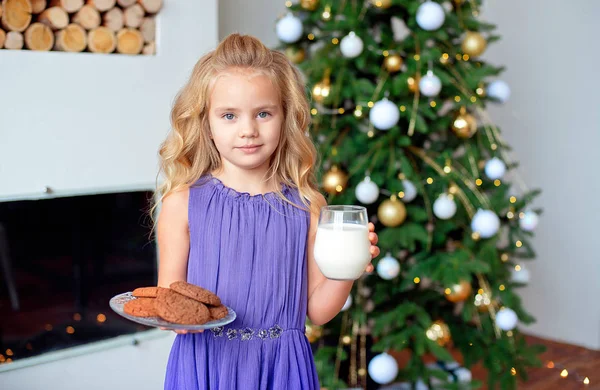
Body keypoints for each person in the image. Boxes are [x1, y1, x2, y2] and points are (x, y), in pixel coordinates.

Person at [152, 33, 380, 390]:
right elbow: (170, 297)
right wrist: (175, 315)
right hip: (207, 364)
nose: (248, 131)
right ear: (205, 123)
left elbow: (318, 311)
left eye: (263, 113)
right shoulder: (183, 202)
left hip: (283, 368)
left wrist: (346, 270)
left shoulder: (307, 205)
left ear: (285, 116)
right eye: (229, 115)